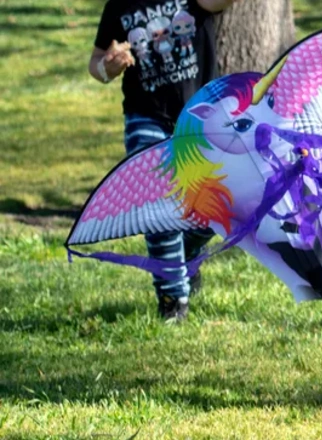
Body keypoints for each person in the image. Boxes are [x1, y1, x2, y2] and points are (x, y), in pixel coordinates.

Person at [88, 0, 241, 321]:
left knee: (222, 203)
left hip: (202, 117)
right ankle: (173, 299)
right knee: (158, 205)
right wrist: (108, 67)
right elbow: (97, 62)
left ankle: (184, 257)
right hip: (146, 116)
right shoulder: (119, 4)